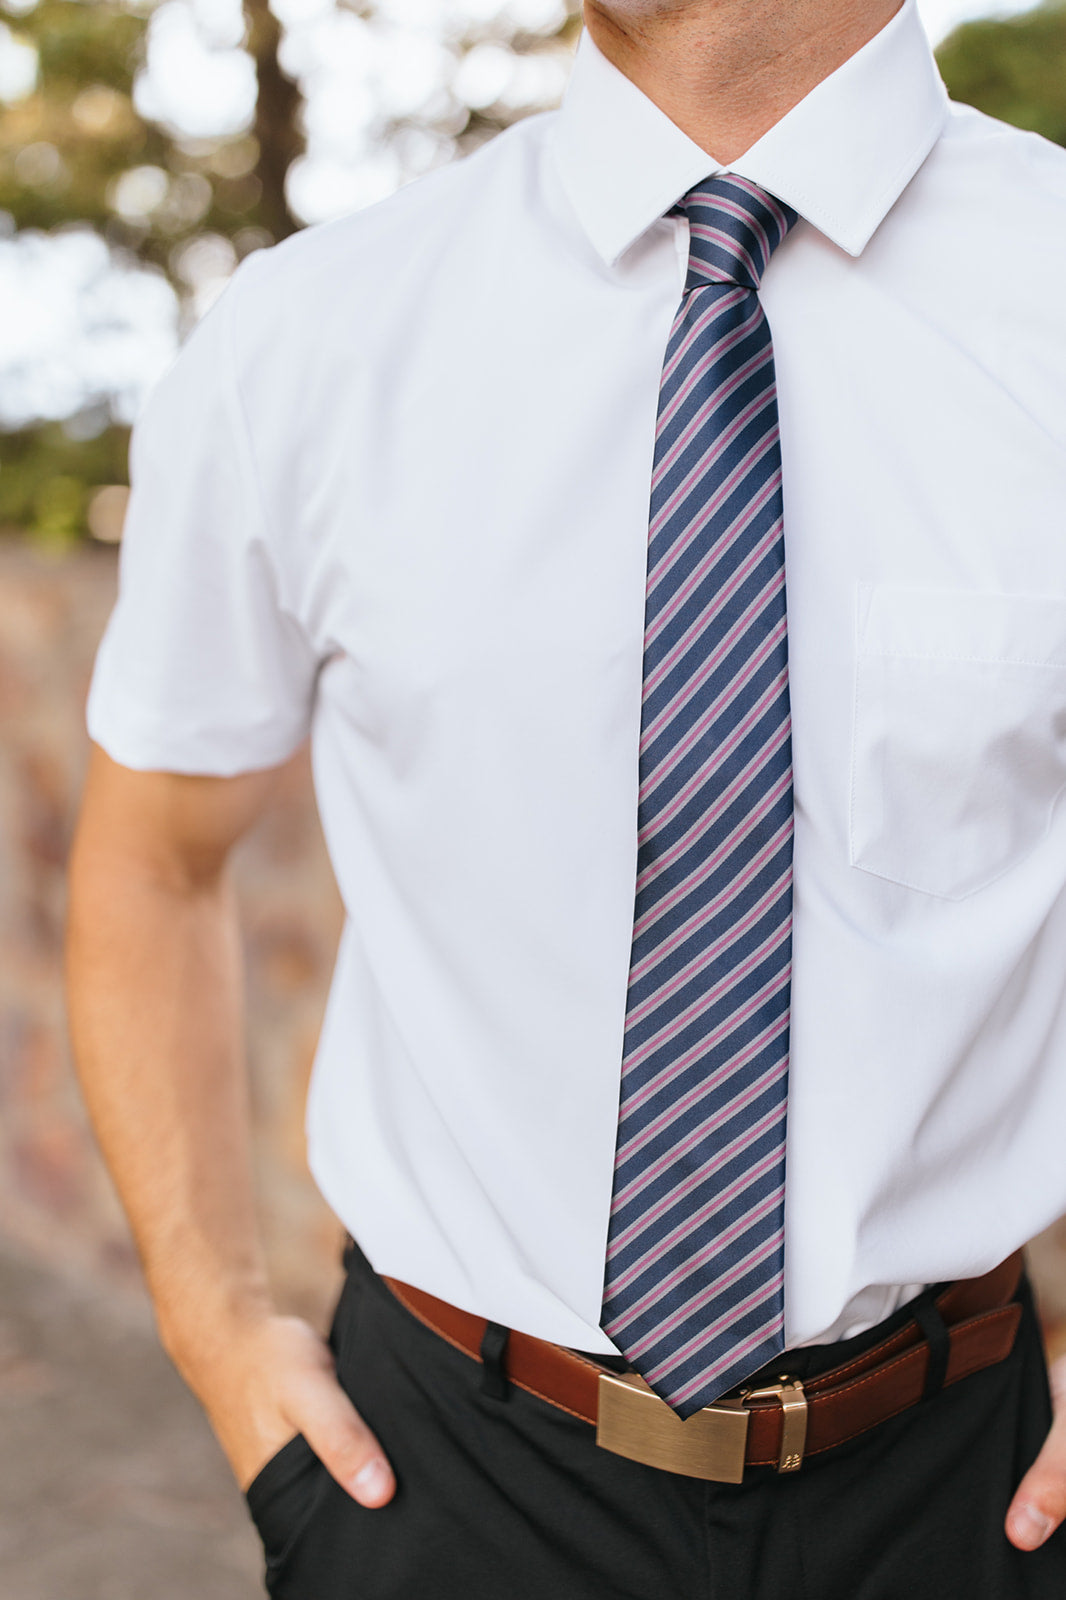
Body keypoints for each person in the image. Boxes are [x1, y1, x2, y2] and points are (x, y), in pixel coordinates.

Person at [66, 0, 1066, 1592]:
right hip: (444, 1489)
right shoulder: (314, 334)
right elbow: (151, 861)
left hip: (967, 1498)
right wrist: (215, 1333)